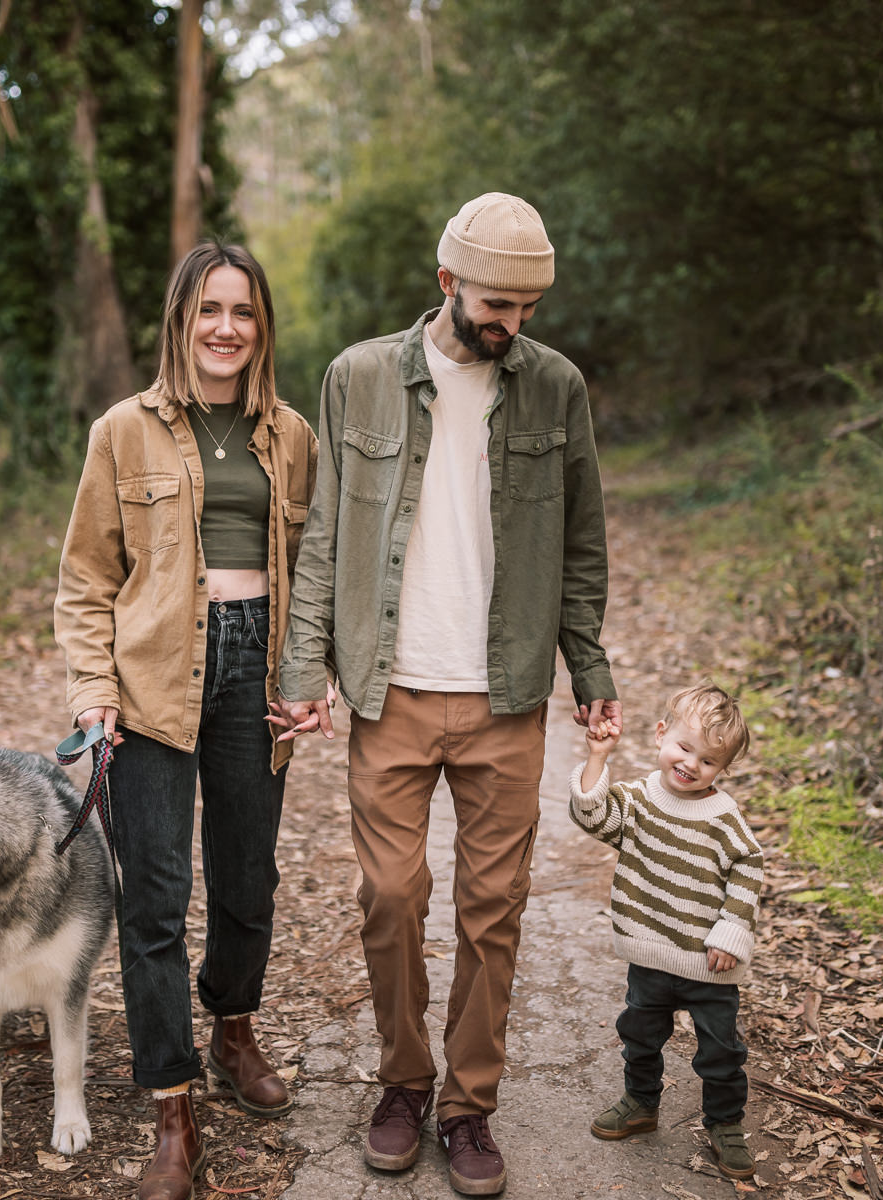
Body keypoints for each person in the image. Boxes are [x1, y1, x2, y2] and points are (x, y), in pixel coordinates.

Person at [272, 192, 619, 1196]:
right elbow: (325, 535)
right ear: (444, 284)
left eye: (523, 306)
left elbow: (584, 545)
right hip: (390, 690)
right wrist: (303, 672)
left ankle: (467, 1106)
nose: (507, 321)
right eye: (491, 301)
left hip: (506, 694)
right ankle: (400, 1080)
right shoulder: (360, 379)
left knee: (491, 908)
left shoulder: (556, 389)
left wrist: (587, 672)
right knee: (390, 897)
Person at [54, 242, 317, 1200]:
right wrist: (93, 690)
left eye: (243, 311)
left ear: (262, 326)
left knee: (249, 882)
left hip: (257, 675)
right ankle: (172, 1105)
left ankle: (234, 1028)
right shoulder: (121, 431)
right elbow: (85, 579)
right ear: (179, 319)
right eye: (209, 309)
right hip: (152, 679)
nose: (225, 328)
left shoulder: (289, 433)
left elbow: (315, 573)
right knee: (153, 903)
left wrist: (310, 673)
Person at [569, 683, 765, 1181]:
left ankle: (725, 1124)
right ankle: (641, 1102)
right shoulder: (637, 800)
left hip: (709, 962)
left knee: (721, 1051)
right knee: (639, 1033)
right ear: (661, 735)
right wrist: (598, 755)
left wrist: (731, 930)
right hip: (650, 951)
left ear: (722, 771)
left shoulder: (723, 817)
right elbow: (592, 815)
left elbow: (749, 866)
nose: (691, 764)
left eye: (708, 761)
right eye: (684, 747)